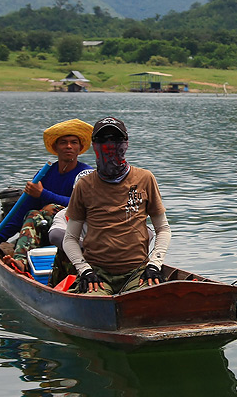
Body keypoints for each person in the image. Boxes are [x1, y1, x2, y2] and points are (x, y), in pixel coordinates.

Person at [61, 116, 172, 295]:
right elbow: (70, 238)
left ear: (125, 143)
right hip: (97, 274)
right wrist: (85, 270)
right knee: (95, 304)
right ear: (95, 145)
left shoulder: (145, 179)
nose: (110, 145)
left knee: (149, 300)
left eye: (116, 139)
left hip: (137, 272)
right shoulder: (84, 185)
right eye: (103, 140)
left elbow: (163, 229)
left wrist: (155, 264)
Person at [0, 118, 94, 273]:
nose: (68, 146)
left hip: (75, 230)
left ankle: (21, 260)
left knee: (48, 209)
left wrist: (43, 194)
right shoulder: (44, 175)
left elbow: (83, 205)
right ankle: (20, 262)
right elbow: (21, 211)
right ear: (55, 147)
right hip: (45, 229)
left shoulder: (85, 174)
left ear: (80, 148)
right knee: (32, 213)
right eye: (63, 142)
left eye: (74, 142)